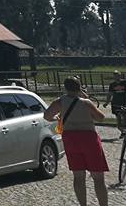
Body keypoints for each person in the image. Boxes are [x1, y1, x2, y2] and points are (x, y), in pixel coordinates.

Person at [44, 76, 108, 206]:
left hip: (70, 139)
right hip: (88, 138)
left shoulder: (59, 102)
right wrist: (86, 99)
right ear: (79, 88)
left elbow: (47, 116)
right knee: (98, 177)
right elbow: (101, 117)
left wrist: (58, 117)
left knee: (78, 176)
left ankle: (83, 204)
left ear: (65, 88)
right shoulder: (85, 102)